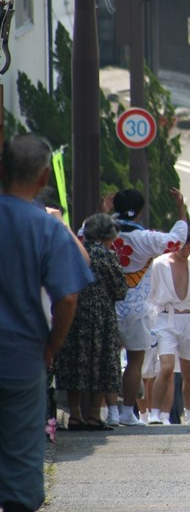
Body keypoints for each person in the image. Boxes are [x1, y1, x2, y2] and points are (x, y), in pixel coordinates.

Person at [0, 134, 92, 512]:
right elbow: (68, 297)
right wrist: (51, 346)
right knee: (22, 466)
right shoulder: (47, 227)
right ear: (42, 180)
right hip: (22, 358)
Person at [109, 187, 189, 427]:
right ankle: (126, 412)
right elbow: (176, 240)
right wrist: (180, 209)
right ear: (140, 211)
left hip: (108, 305)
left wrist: (101, 212)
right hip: (136, 307)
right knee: (135, 360)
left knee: (109, 359)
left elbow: (82, 234)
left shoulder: (102, 232)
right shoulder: (145, 238)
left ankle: (111, 412)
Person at [55, 213, 127, 431]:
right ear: (109, 234)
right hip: (101, 316)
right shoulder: (106, 256)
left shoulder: (73, 252)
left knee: (74, 363)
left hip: (73, 313)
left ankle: (75, 415)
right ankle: (95, 416)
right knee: (101, 364)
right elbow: (120, 289)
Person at [148, 229, 190, 425]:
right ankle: (155, 413)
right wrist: (152, 320)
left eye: (189, 245)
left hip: (189, 318)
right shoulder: (160, 263)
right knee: (166, 367)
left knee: (188, 371)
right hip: (166, 318)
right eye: (181, 245)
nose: (185, 250)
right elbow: (150, 293)